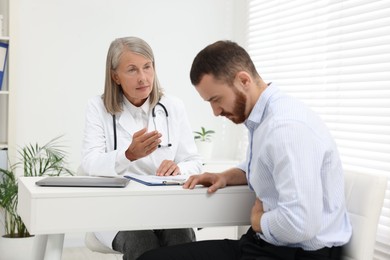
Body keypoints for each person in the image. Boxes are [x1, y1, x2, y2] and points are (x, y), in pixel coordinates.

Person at [138, 41, 352, 260]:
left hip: (297, 253)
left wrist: (258, 221)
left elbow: (300, 224)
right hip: (264, 245)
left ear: (243, 80)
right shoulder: (264, 119)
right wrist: (224, 177)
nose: (215, 111)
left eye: (216, 99)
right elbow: (267, 167)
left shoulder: (286, 129)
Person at [80, 36, 202, 260]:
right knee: (142, 240)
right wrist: (127, 156)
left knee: (181, 236)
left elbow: (193, 161)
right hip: (117, 210)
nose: (143, 77)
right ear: (115, 76)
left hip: (165, 207)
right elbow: (89, 163)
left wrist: (179, 169)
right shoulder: (98, 108)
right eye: (132, 70)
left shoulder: (173, 107)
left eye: (147, 67)